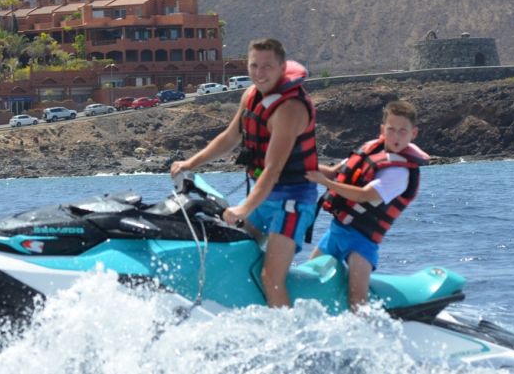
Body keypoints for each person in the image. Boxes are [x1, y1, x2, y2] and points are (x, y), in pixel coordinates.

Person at [170, 38, 318, 307]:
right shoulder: (250, 96)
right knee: (232, 251)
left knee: (271, 278)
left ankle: (289, 337)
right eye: (254, 66)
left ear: (282, 67)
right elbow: (229, 138)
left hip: (292, 203)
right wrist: (190, 164)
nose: (259, 73)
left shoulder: (290, 109)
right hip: (264, 199)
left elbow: (272, 170)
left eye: (267, 67)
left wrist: (242, 209)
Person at [305, 100, 429, 311]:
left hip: (362, 242)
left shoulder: (399, 173)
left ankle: (368, 333)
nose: (396, 136)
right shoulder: (370, 150)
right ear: (382, 130)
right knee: (308, 279)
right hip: (336, 233)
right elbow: (336, 172)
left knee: (357, 300)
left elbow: (364, 195)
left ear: (413, 134)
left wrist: (324, 182)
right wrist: (302, 166)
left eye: (402, 131)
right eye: (391, 129)